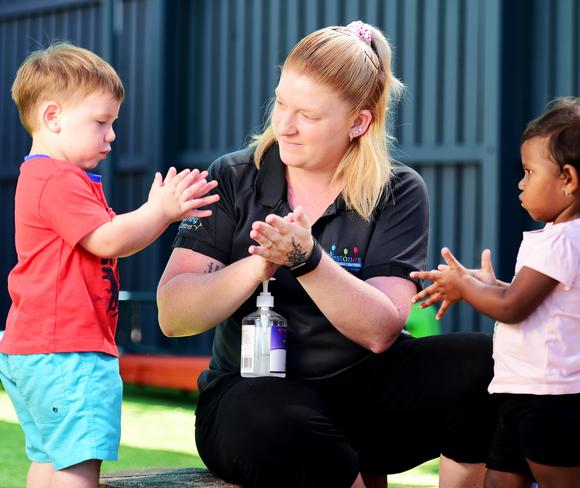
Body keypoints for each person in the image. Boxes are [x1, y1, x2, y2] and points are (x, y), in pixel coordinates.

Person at [157, 21, 496, 488]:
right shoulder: (233, 177)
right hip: (254, 398)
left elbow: (381, 331)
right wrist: (262, 262)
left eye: (309, 116)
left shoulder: (397, 190)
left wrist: (309, 259)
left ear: (358, 122)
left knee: (487, 362)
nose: (284, 126)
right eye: (280, 103)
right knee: (266, 418)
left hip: (363, 395)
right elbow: (173, 316)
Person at [0, 42, 219, 488]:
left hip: (41, 350)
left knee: (52, 459)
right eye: (101, 122)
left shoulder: (50, 178)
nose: (111, 135)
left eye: (112, 123)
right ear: (53, 117)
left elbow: (114, 237)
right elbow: (108, 239)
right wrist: (160, 209)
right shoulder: (58, 180)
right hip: (68, 352)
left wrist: (154, 215)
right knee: (78, 467)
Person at [411, 97, 580, 488]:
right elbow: (536, 299)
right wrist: (487, 286)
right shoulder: (569, 235)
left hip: (555, 400)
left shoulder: (563, 241)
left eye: (529, 172)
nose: (520, 182)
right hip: (525, 391)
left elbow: (513, 309)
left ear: (568, 179)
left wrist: (466, 287)